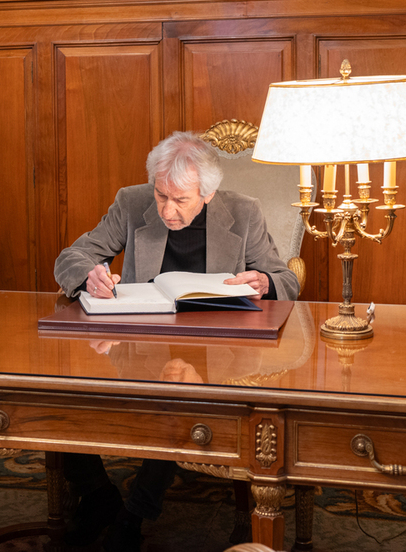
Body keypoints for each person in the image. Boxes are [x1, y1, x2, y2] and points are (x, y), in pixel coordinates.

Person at [53, 131, 298, 551]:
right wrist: (89, 276)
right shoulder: (131, 203)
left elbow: (287, 280)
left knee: (176, 401)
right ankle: (97, 496)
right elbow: (70, 257)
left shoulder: (243, 212)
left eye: (180, 200)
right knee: (62, 397)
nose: (167, 209)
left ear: (208, 193)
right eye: (161, 195)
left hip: (216, 352)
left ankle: (132, 517)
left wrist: (264, 281)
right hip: (139, 345)